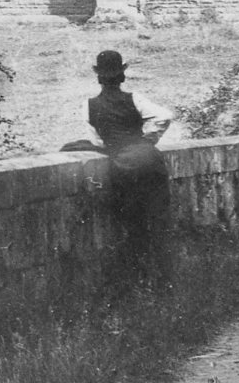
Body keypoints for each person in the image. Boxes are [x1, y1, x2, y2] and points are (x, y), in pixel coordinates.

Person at [65, 49, 173, 261]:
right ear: (122, 73)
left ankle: (137, 269)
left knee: (131, 219)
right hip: (149, 159)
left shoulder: (89, 105)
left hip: (123, 164)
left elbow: (97, 141)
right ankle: (161, 270)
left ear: (98, 75)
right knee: (158, 215)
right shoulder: (134, 99)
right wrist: (149, 139)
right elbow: (165, 116)